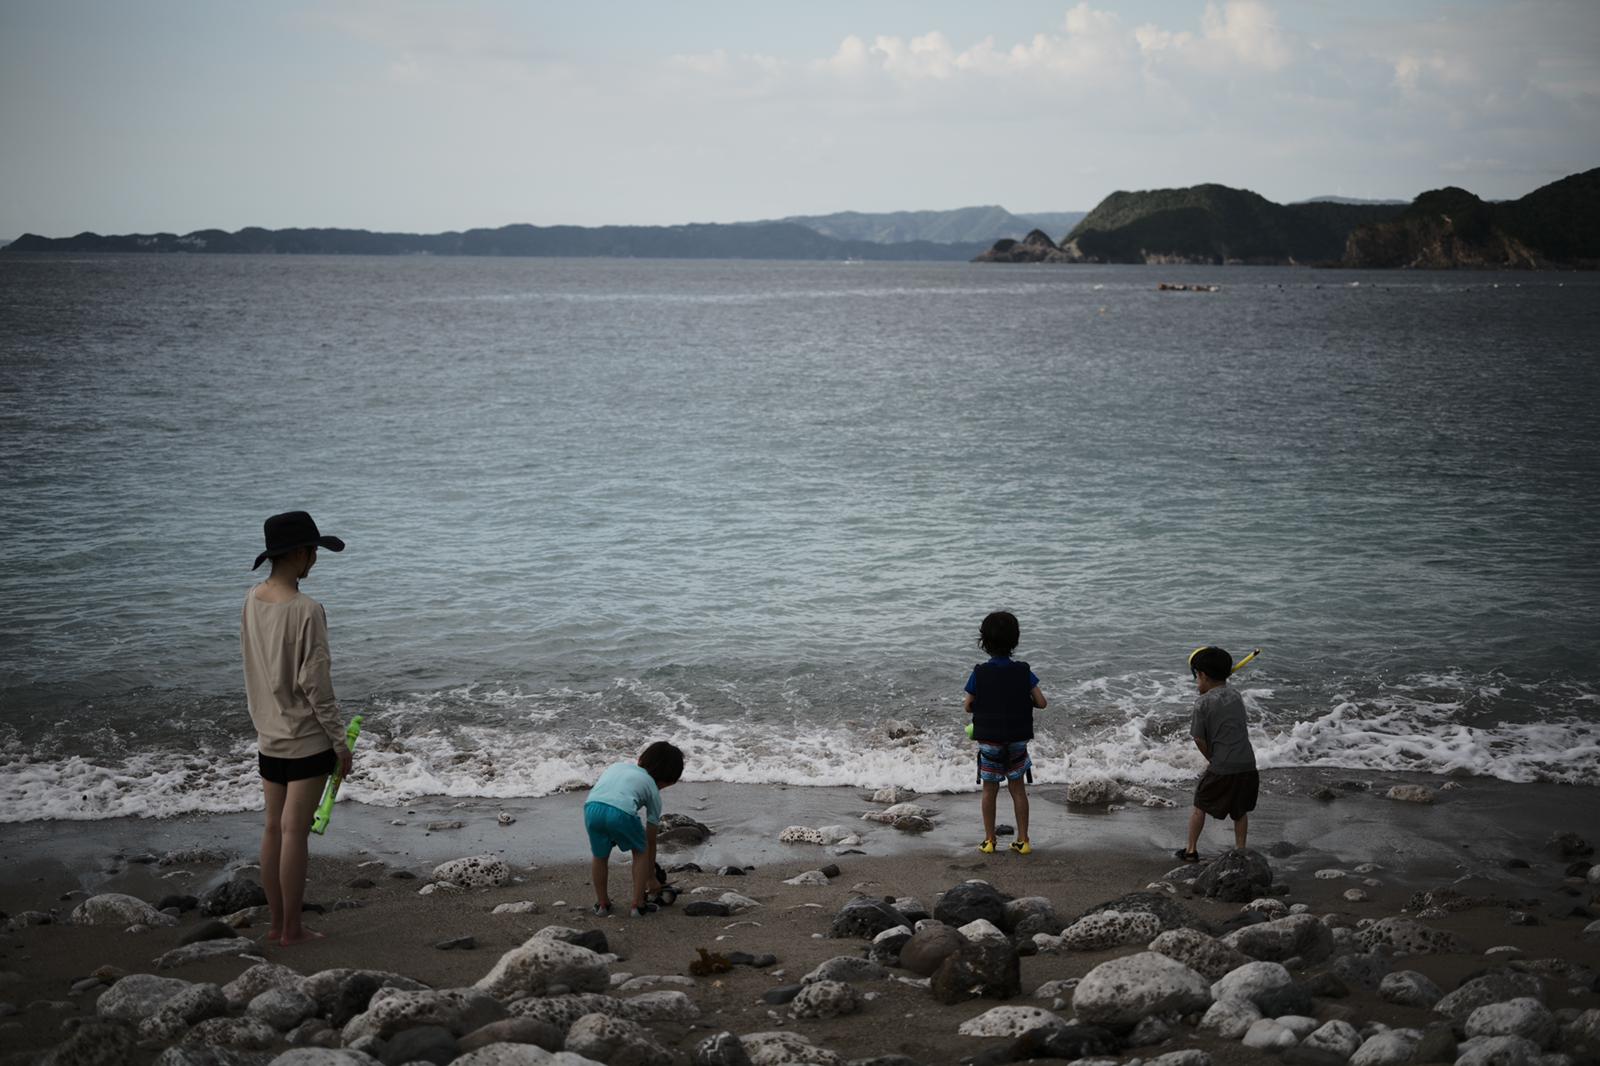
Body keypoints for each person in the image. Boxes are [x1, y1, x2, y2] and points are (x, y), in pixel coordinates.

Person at [241, 511, 354, 945]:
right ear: (300, 554)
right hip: (306, 738)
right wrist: (341, 744)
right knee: (294, 833)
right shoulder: (308, 610)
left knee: (273, 828)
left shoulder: (252, 599)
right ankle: (292, 929)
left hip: (268, 734)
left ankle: (275, 925)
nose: (315, 561)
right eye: (314, 552)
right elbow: (317, 687)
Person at [964, 611, 1047, 855]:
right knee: (1017, 788)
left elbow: (968, 705)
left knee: (989, 790)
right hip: (1016, 739)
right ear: (1015, 641)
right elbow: (1041, 703)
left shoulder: (979, 673)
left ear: (984, 642)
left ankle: (989, 840)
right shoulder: (1023, 671)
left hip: (989, 741)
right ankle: (1023, 840)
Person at [1177, 645, 1258, 861]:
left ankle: (1191, 850)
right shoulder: (1236, 695)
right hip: (1248, 764)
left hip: (1221, 766)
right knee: (1240, 811)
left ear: (1202, 675)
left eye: (1197, 678)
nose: (1196, 682)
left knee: (1199, 805)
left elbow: (1199, 739)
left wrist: (1212, 759)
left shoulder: (1201, 703)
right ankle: (1240, 850)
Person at [585, 741, 684, 917]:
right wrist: (651, 877)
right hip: (621, 812)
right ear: (667, 781)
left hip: (591, 807)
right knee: (641, 850)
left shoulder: (618, 766)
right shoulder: (653, 789)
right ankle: (637, 905)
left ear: (641, 759)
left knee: (600, 856)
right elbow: (651, 840)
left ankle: (602, 904)